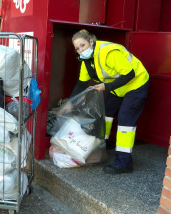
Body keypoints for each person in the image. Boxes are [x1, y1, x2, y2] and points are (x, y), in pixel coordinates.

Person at [58, 29, 149, 174]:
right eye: (77, 48)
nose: (81, 50)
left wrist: (106, 86)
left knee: (125, 121)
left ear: (91, 42)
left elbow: (130, 74)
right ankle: (101, 147)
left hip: (136, 84)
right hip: (117, 88)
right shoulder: (87, 61)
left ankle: (124, 163)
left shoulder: (108, 52)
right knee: (105, 115)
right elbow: (81, 83)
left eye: (83, 45)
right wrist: (70, 102)